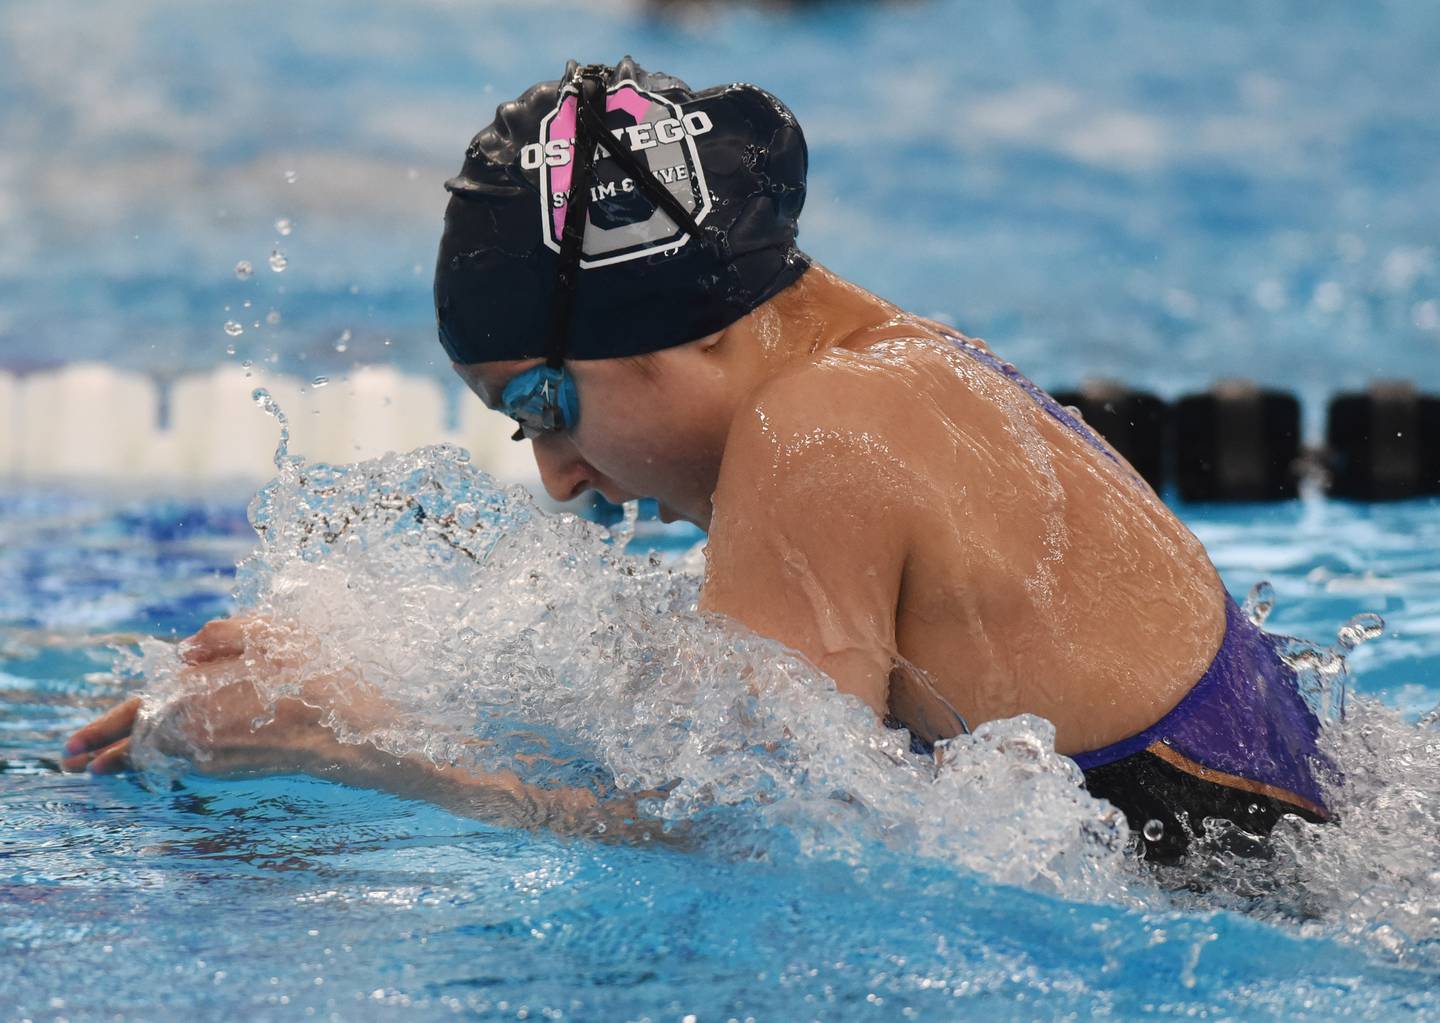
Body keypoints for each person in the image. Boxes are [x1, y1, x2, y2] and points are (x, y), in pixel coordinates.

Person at [62, 57, 1332, 861]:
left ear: (682, 330)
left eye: (547, 403)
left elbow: (771, 850)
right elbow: (769, 749)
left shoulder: (819, 431)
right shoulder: (913, 366)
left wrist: (353, 750)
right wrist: (338, 676)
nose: (556, 475)